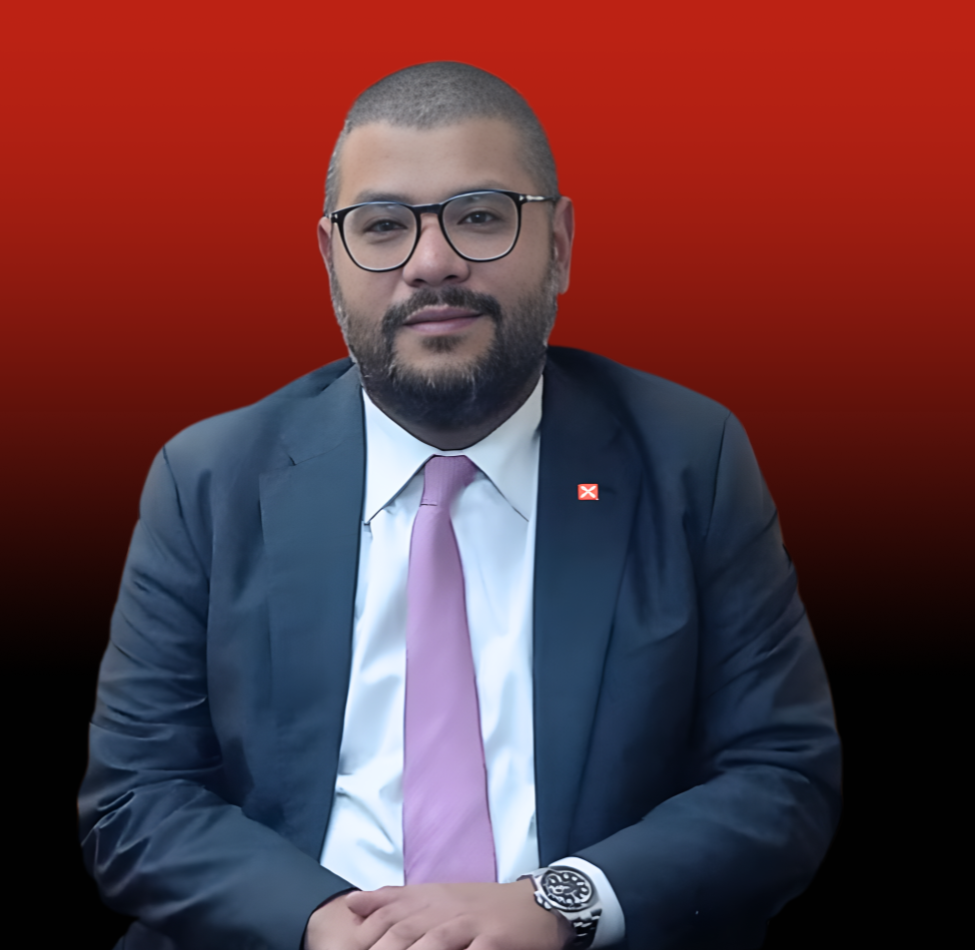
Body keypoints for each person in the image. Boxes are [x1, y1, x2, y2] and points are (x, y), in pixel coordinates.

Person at [78, 61, 842, 950]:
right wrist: (318, 923)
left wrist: (560, 903)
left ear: (559, 243)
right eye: (383, 226)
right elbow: (136, 800)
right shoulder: (209, 478)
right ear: (330, 260)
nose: (431, 263)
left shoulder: (688, 458)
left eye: (479, 216)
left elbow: (781, 778)